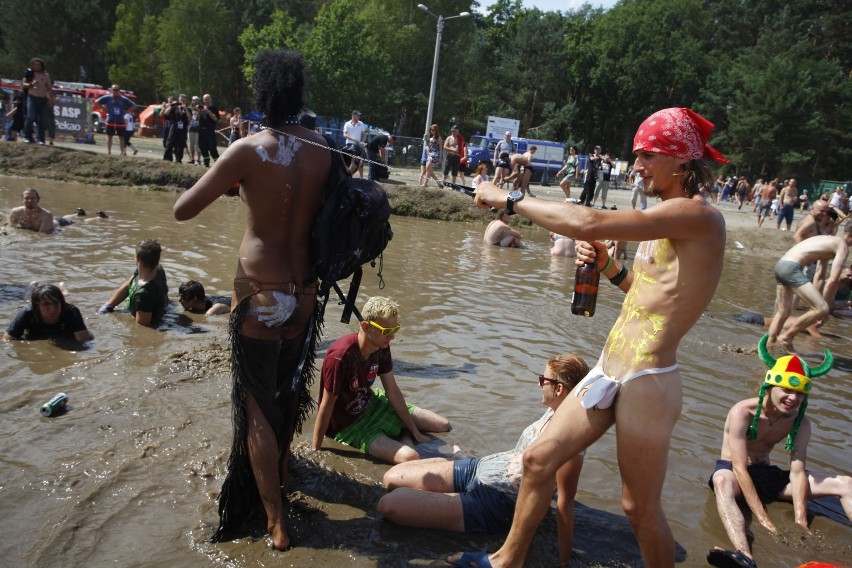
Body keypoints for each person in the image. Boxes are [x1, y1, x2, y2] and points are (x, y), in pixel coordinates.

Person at [462, 107, 728, 568]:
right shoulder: (665, 215)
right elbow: (648, 296)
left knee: (637, 508)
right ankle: (507, 560)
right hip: (610, 367)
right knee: (539, 459)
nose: (637, 166)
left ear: (681, 160)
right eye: (636, 156)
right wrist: (608, 267)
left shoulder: (697, 215)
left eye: (647, 156)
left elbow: (585, 220)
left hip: (648, 379)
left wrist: (506, 199)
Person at [173, 49, 331, 551]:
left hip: (259, 293)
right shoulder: (322, 148)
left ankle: (275, 521)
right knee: (286, 390)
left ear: (263, 94)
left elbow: (182, 210)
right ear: (298, 94)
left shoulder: (247, 148)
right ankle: (283, 472)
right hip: (304, 293)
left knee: (256, 404)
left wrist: (235, 183)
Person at [378, 355, 588, 554]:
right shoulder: (555, 409)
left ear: (559, 389)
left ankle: (452, 501)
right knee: (392, 478)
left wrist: (564, 560)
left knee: (389, 505)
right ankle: (453, 478)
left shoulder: (571, 440)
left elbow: (565, 500)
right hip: (481, 468)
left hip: (495, 503)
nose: (539, 384)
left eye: (543, 380)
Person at [706, 339, 847, 568]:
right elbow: (740, 468)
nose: (793, 398)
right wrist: (763, 517)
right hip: (734, 474)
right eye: (787, 390)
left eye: (800, 392)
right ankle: (744, 556)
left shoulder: (801, 423)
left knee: (846, 484)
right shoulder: (743, 412)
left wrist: (801, 519)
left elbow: (797, 471)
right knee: (720, 479)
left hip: (766, 473)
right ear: (769, 386)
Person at [312, 296, 451, 464]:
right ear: (365, 326)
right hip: (349, 426)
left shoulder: (382, 346)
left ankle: (405, 432)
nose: (391, 337)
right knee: (410, 457)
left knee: (443, 424)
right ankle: (401, 434)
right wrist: (315, 450)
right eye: (386, 331)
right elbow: (327, 405)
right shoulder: (340, 357)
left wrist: (416, 432)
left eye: (395, 329)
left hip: (371, 403)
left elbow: (392, 391)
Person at [766, 228, 851, 354]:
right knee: (821, 308)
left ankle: (769, 347)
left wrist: (817, 300)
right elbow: (833, 279)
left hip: (781, 264)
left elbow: (820, 275)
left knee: (783, 312)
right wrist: (825, 308)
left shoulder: (829, 239)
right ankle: (787, 337)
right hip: (792, 268)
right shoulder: (842, 247)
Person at [99, 239, 169, 327]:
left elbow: (142, 327)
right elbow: (128, 284)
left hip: (150, 315)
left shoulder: (144, 294)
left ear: (138, 258)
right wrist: (108, 306)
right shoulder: (157, 269)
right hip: (155, 307)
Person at [3, 283, 93, 342]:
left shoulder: (71, 312)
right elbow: (7, 340)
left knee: (65, 295)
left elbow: (84, 341)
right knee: (27, 299)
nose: (52, 309)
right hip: (31, 305)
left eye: (56, 303)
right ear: (37, 306)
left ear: (61, 303)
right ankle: (32, 286)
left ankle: (61, 287)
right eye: (46, 304)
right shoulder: (27, 313)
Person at [95, 85, 137, 155]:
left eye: (117, 90)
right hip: (111, 119)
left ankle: (122, 152)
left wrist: (126, 111)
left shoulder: (123, 99)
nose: (115, 91)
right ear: (111, 90)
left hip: (120, 120)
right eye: (114, 89)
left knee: (121, 137)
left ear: (119, 91)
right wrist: (104, 109)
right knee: (109, 136)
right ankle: (109, 151)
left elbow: (134, 105)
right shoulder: (108, 97)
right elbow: (96, 102)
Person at [22, 58, 52, 145]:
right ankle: (27, 137)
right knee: (30, 117)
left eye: (38, 65)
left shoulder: (45, 75)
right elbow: (23, 85)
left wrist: (50, 99)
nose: (37, 67)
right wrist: (31, 84)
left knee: (42, 120)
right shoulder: (29, 73)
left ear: (42, 66)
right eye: (35, 65)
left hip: (43, 99)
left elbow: (49, 89)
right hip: (32, 98)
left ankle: (41, 139)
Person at [163, 94, 191, 163]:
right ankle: (167, 158)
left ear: (186, 101)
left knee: (180, 144)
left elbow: (189, 118)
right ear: (179, 100)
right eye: (181, 100)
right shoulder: (175, 108)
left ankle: (178, 159)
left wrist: (185, 109)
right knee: (170, 142)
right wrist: (172, 106)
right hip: (174, 126)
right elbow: (166, 113)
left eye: (184, 100)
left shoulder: (188, 109)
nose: (182, 101)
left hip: (183, 128)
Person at [196, 94, 220, 167]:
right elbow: (197, 119)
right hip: (201, 130)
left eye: (207, 99)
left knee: (212, 147)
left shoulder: (214, 108)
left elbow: (216, 119)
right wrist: (198, 111)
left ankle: (218, 164)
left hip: (209, 130)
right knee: (202, 147)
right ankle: (206, 162)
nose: (205, 101)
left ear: (210, 99)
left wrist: (208, 111)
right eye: (204, 99)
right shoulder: (202, 108)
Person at [343, 110, 366, 177]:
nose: (359, 116)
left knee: (360, 162)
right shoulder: (347, 124)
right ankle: (347, 177)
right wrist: (354, 139)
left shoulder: (361, 123)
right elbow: (345, 135)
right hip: (350, 145)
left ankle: (361, 178)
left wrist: (363, 142)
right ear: (353, 116)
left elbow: (364, 134)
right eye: (357, 115)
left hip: (358, 146)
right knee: (353, 163)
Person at [187, 95, 201, 164]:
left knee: (198, 146)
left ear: (199, 101)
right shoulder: (189, 108)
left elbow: (198, 118)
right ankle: (192, 159)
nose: (195, 101)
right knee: (191, 145)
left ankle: (198, 160)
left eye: (197, 100)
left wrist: (198, 110)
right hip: (190, 129)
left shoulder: (201, 108)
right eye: (194, 100)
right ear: (192, 101)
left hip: (198, 130)